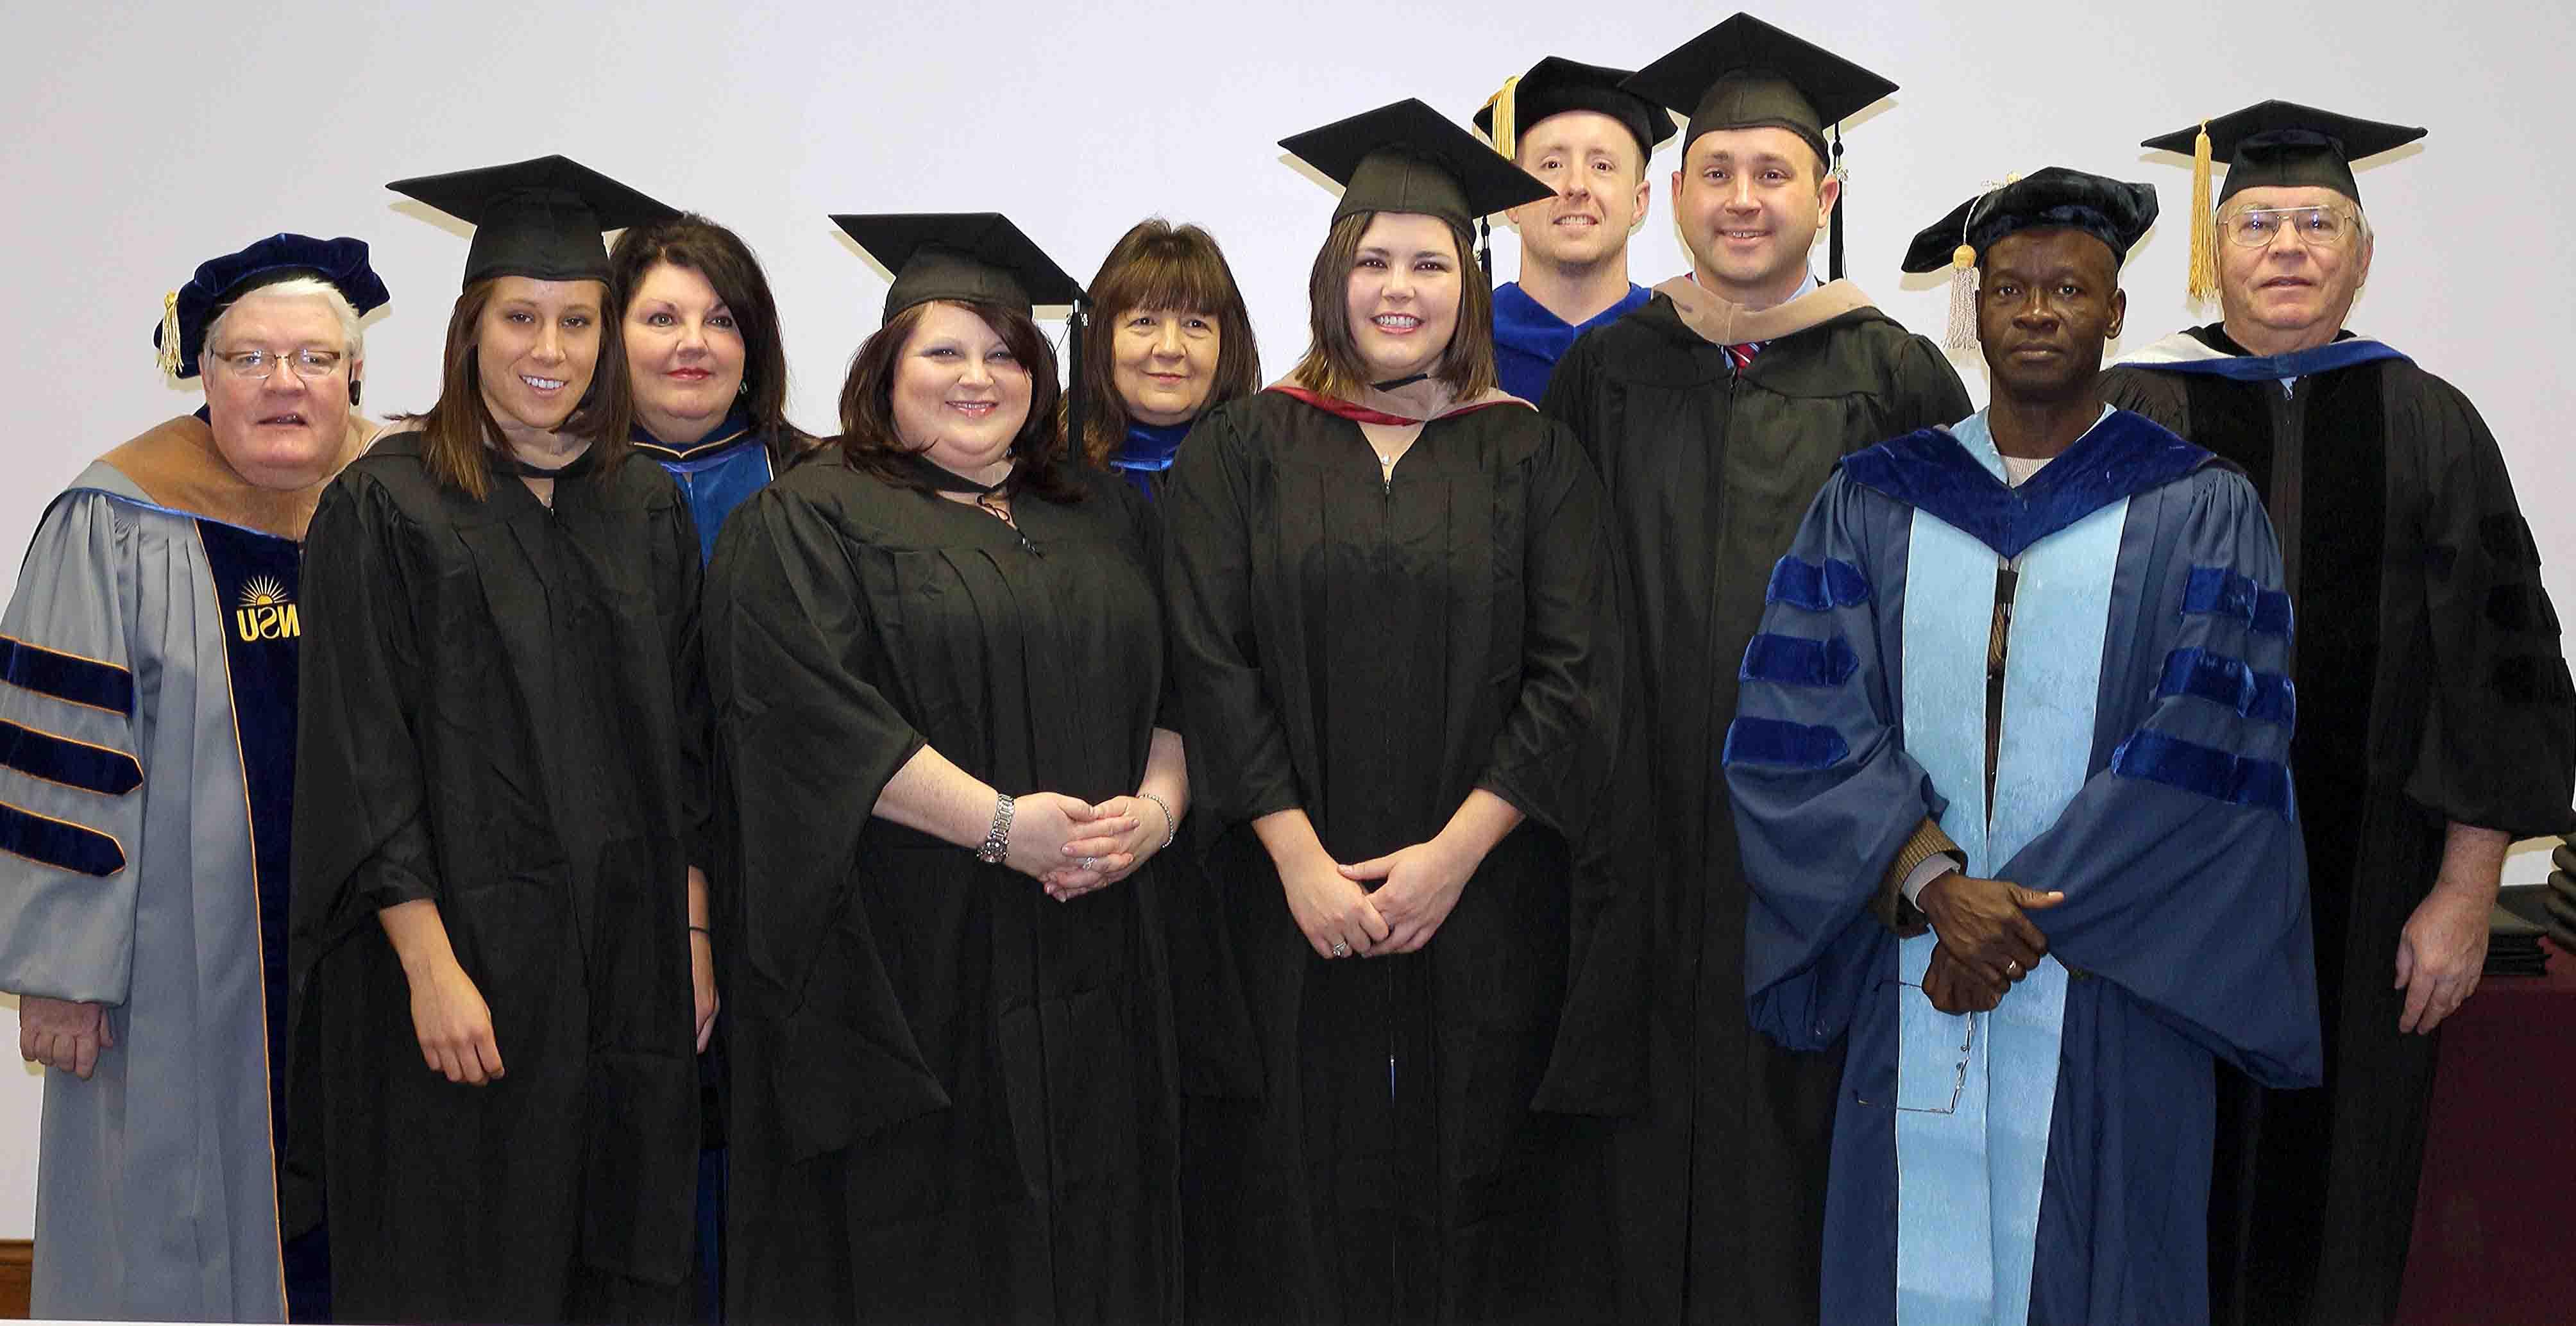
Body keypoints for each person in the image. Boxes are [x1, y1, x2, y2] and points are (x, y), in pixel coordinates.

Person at [1730, 166, 2324, 1323]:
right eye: (2010, 287)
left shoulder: (2201, 507)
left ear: (2114, 310)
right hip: (1914, 963)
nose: (2038, 310)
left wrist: (2016, 921)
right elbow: (1801, 723)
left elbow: (2211, 750)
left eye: (2070, 287)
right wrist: (1932, 881)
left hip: (2111, 986)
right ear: (1975, 307)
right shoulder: (1872, 500)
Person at [1164, 97, 1644, 1325]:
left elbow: (1571, 672)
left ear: (1468, 283)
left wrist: (1449, 859)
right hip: (1285, 895)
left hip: (1481, 892)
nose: (1398, 288)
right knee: (1290, 1172)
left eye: (1429, 262)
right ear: (1332, 275)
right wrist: (1297, 857)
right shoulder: (1243, 447)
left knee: (1473, 1162)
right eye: (1371, 259)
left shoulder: (1531, 455)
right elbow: (1210, 663)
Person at [2100, 102, 2576, 1326]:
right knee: (2154, 1207)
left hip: (2367, 905)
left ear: (2360, 255)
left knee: (2340, 1219)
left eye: (2320, 221)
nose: (2290, 245)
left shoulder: (2431, 420)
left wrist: (2468, 891)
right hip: (2159, 906)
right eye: (2258, 221)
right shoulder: (2134, 416)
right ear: (2216, 251)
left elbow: (2501, 669)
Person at [1538, 15, 1972, 1323]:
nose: (1742, 198)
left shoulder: (1894, 373)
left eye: (1773, 172)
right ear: (1673, 196)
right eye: (1716, 171)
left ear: (1824, 194)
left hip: (1819, 844)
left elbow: (1950, 621)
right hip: (1633, 828)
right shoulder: (1606, 367)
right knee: (1628, 1141)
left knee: (1795, 1153)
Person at [708, 211, 1184, 1324]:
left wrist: (1156, 816)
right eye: (944, 350)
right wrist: (1001, 825)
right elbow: (803, 714)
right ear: (884, 369)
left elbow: (1187, 690)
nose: (978, 375)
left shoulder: (1103, 509)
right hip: (917, 954)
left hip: (1103, 944)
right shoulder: (808, 518)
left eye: (1004, 351)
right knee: (939, 1241)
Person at [289, 155, 715, 1323]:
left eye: (579, 319)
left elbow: (688, 747)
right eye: (522, 316)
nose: (553, 347)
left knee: (619, 1260)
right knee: (461, 1257)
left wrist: (693, 930)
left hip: (625, 972)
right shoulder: (387, 504)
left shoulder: (641, 505)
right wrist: (428, 968)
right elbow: (358, 756)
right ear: (471, 325)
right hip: (455, 976)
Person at [0, 233, 385, 1323]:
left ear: (356, 370)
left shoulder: (402, 501)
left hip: (384, 957)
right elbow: (60, 751)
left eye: (312, 358)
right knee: (173, 1218)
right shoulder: (119, 514)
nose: (282, 384)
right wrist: (63, 963)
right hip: (182, 956)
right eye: (249, 358)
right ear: (201, 372)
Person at [1471, 56, 1674, 403]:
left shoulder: (1681, 350)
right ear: (1512, 199)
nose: (1577, 185)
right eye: (1552, 164)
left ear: (1639, 202)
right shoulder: (1463, 349)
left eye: (1602, 165)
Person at [611, 211, 809, 564]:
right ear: (612, 337)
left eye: (720, 321)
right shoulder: (563, 483)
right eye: (663, 319)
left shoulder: (814, 482)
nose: (693, 343)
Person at [1076, 217, 1262, 500]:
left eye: (1195, 324)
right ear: (1102, 336)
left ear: (1228, 345)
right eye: (1145, 321)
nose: (1170, 348)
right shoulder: (1049, 475)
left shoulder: (1262, 476)